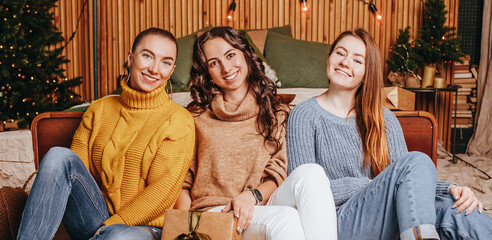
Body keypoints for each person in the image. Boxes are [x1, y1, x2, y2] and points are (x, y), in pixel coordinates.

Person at [287, 28, 492, 240]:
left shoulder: (383, 118)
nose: (345, 62)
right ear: (329, 58)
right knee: (416, 161)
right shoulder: (303, 115)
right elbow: (302, 193)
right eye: (340, 53)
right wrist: (371, 185)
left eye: (358, 60)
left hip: (383, 216)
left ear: (368, 74)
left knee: (454, 207)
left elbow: (410, 181)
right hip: (337, 222)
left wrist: (453, 189)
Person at [17, 28, 195, 240]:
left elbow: (161, 193)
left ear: (172, 69)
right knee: (59, 156)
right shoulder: (99, 109)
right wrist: (101, 227)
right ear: (130, 58)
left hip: (144, 229)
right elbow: (77, 177)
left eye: (165, 62)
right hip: (93, 218)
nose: (155, 69)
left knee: (118, 236)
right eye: (147, 56)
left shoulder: (179, 120)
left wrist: (111, 226)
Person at [173, 26, 337, 240]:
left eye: (230, 55)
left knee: (311, 173)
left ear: (246, 55)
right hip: (215, 212)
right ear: (208, 73)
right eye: (214, 63)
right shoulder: (195, 117)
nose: (226, 67)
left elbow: (278, 171)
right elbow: (183, 182)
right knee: (286, 218)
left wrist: (252, 196)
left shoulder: (276, 111)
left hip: (261, 202)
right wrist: (184, 229)